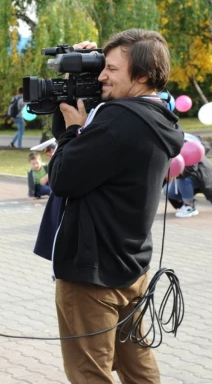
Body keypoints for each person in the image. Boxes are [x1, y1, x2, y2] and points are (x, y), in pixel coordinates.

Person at [46, 29, 184, 383]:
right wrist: (78, 87)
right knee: (139, 370)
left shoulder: (117, 121)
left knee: (89, 373)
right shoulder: (155, 117)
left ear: (141, 76)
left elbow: (62, 179)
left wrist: (73, 132)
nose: (103, 76)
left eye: (110, 69)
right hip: (130, 267)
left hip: (92, 275)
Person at [165, 134, 212, 218]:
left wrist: (176, 173)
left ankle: (189, 206)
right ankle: (188, 201)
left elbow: (191, 169)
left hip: (201, 176)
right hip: (192, 176)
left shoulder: (187, 146)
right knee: (168, 191)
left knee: (181, 178)